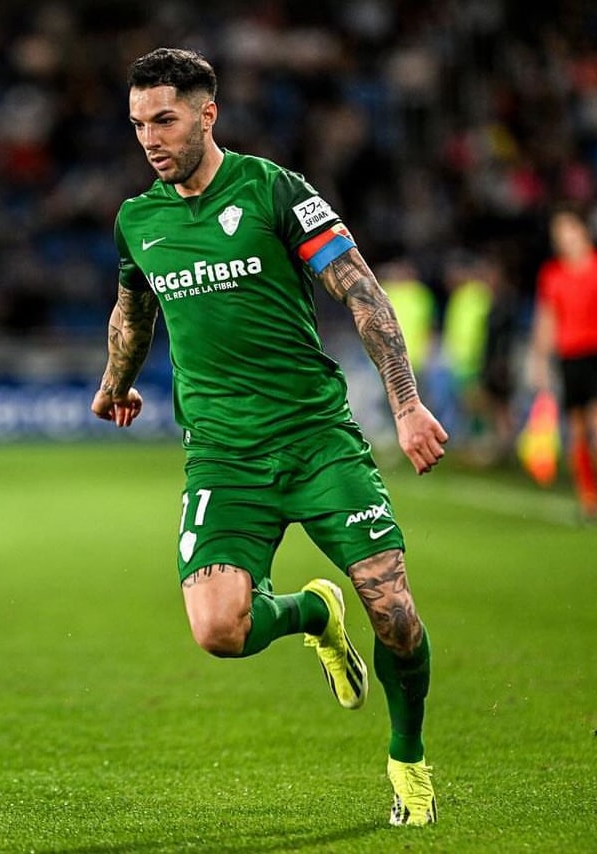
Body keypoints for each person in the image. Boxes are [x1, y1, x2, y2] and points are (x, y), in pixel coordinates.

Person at [89, 48, 447, 827]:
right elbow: (132, 313)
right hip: (224, 456)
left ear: (207, 114)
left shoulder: (275, 191)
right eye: (138, 124)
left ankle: (408, 758)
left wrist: (407, 404)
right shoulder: (137, 220)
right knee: (218, 630)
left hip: (316, 439)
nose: (149, 138)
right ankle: (314, 615)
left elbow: (362, 293)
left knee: (394, 612)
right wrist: (116, 382)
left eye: (164, 119)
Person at [528, 207, 597, 521]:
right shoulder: (553, 274)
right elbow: (547, 317)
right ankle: (589, 500)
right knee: (577, 428)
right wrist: (540, 357)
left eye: (568, 230)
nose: (563, 238)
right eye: (558, 234)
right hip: (570, 356)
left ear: (583, 231)